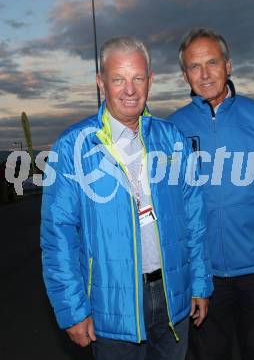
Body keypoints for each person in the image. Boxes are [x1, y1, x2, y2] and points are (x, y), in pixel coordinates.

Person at [41, 36, 213, 360]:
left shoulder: (172, 139)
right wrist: (72, 309)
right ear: (100, 82)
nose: (129, 90)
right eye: (118, 79)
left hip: (172, 297)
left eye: (137, 78)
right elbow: (58, 236)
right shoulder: (72, 146)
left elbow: (195, 218)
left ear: (150, 80)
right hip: (110, 308)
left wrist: (200, 283)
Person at [169, 28, 254, 360]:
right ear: (184, 74)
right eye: (194, 66)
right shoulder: (173, 128)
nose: (204, 74)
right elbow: (169, 208)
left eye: (212, 62)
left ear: (228, 66)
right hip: (203, 277)